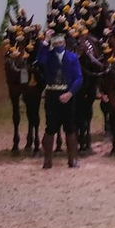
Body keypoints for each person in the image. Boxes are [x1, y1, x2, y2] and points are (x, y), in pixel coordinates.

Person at [36, 29, 80, 169]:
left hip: (67, 94)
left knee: (70, 128)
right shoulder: (48, 56)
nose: (59, 44)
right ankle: (47, 160)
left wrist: (70, 93)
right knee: (51, 128)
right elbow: (40, 60)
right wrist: (45, 40)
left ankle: (72, 160)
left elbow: (79, 77)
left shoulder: (72, 57)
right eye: (56, 42)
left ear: (65, 43)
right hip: (52, 94)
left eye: (61, 42)